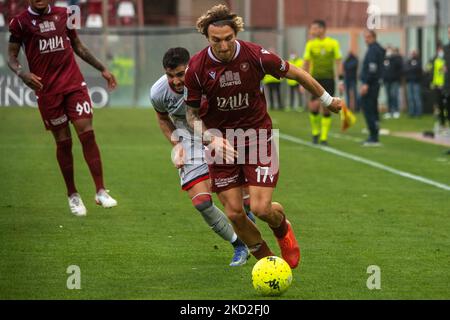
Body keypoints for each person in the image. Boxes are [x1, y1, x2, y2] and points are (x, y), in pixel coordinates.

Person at [183, 5, 342, 268]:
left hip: (257, 138)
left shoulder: (256, 55)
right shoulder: (197, 68)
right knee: (234, 212)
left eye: (228, 39)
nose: (223, 46)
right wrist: (211, 138)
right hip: (220, 145)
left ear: (236, 34)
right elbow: (191, 116)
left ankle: (283, 229)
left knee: (260, 209)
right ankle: (268, 265)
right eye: (216, 40)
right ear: (207, 38)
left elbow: (297, 72)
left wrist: (326, 99)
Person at [7, 0, 118, 216]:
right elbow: (11, 56)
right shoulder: (19, 23)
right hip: (48, 91)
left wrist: (102, 68)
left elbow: (77, 45)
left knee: (87, 133)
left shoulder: (66, 14)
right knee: (63, 142)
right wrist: (23, 73)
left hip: (74, 84)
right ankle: (73, 195)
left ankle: (100, 191)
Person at [150, 47, 254, 266]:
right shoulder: (158, 92)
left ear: (189, 67)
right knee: (201, 203)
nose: (176, 81)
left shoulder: (205, 78)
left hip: (217, 133)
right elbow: (162, 119)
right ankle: (239, 246)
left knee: (241, 200)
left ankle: (246, 214)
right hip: (189, 140)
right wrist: (176, 144)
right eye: (171, 75)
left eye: (180, 74)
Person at [303, 20, 344, 146]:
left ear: (322, 29)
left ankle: (324, 137)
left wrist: (341, 80)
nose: (312, 31)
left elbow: (338, 61)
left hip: (329, 79)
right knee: (314, 106)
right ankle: (315, 132)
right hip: (315, 79)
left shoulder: (333, 43)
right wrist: (302, 81)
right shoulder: (310, 44)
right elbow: (306, 62)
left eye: (314, 28)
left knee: (327, 108)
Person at [360, 29, 386, 146]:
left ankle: (373, 136)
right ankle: (374, 133)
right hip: (375, 83)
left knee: (369, 108)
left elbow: (372, 67)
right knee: (373, 109)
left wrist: (366, 83)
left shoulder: (373, 50)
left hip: (371, 84)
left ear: (373, 37)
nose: (366, 39)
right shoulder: (378, 49)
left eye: (368, 37)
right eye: (365, 37)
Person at [431, 44, 449, 134]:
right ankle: (442, 123)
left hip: (444, 86)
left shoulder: (445, 61)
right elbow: (435, 73)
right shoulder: (436, 60)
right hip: (437, 85)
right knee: (439, 105)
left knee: (446, 105)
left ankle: (446, 123)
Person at [382, 46, 403, 119]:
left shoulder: (396, 58)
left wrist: (392, 57)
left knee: (394, 95)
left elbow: (398, 66)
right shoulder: (385, 59)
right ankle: (389, 111)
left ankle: (396, 111)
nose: (388, 52)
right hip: (386, 81)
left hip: (395, 80)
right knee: (388, 97)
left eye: (390, 50)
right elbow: (383, 69)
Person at [403, 50, 423, 118]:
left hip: (416, 81)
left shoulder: (419, 61)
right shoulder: (408, 61)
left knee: (416, 97)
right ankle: (411, 112)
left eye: (414, 53)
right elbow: (405, 69)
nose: (413, 54)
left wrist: (411, 69)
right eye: (412, 53)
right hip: (409, 81)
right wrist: (412, 68)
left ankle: (418, 113)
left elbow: (418, 69)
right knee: (410, 98)